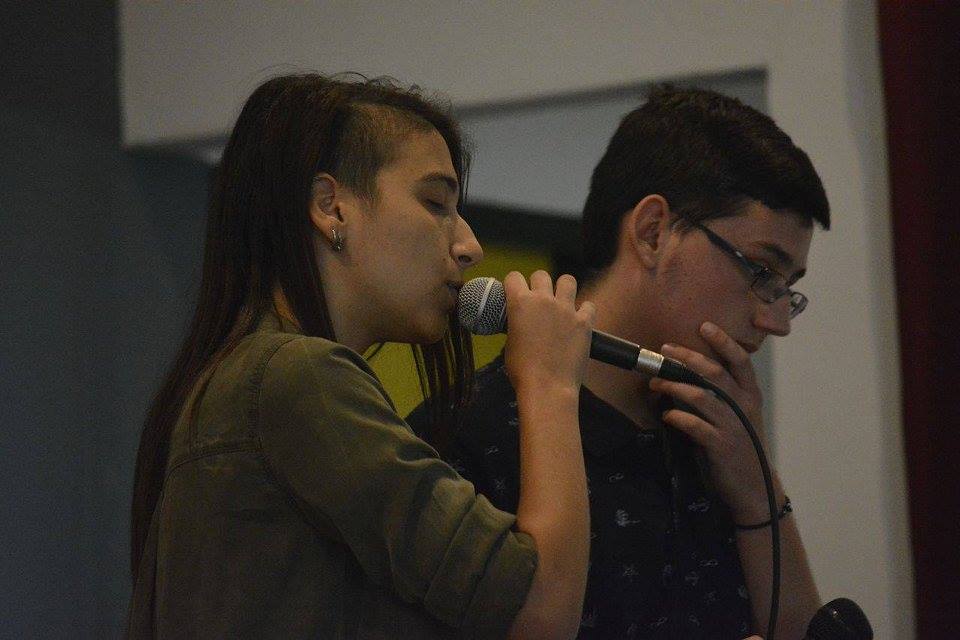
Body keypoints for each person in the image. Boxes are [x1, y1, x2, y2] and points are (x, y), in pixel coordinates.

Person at [126, 73, 598, 639]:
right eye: (435, 203)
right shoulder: (296, 378)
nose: (469, 246)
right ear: (332, 208)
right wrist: (550, 383)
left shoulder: (247, 375)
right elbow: (540, 609)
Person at [409, 86, 829, 640]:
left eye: (787, 289)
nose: (776, 321)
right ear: (653, 232)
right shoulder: (460, 435)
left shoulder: (719, 432)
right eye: (762, 272)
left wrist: (759, 489)